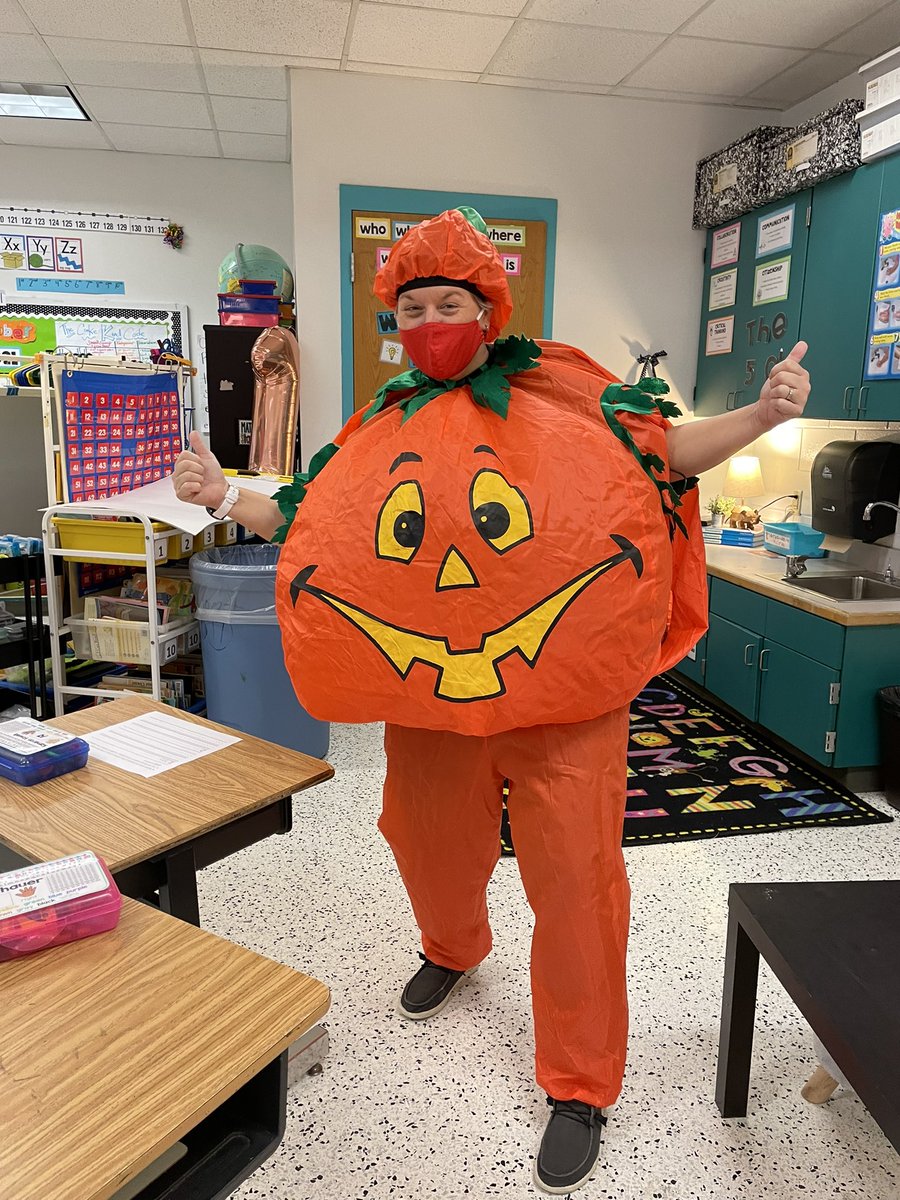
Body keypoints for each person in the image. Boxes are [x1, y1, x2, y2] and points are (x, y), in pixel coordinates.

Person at [174, 207, 810, 1194]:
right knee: (426, 839)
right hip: (434, 695)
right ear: (397, 319)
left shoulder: (567, 390)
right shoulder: (382, 422)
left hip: (564, 699)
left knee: (574, 884)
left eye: (448, 301)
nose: (429, 319)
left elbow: (670, 454)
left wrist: (763, 416)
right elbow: (306, 511)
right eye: (413, 306)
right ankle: (454, 944)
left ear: (487, 305)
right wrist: (223, 495)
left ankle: (582, 1081)